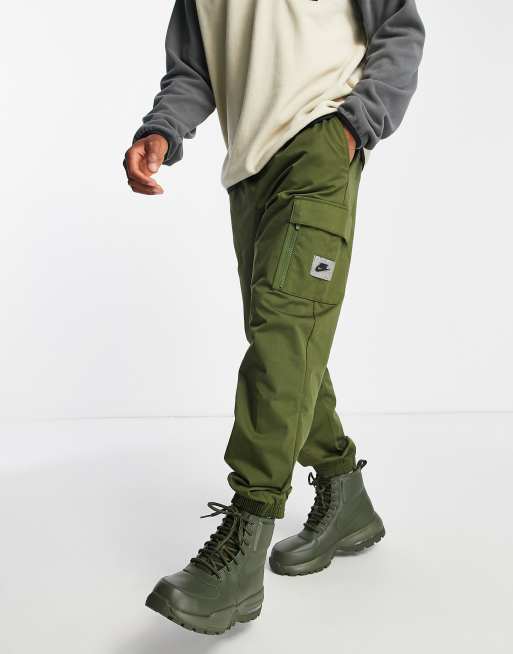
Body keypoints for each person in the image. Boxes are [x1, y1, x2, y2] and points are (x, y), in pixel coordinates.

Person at [124, 0, 424, 636]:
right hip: (248, 172)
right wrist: (163, 130)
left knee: (283, 339)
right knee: (287, 339)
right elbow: (195, 69)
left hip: (319, 144)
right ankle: (344, 492)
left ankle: (245, 539)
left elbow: (398, 26)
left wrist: (356, 124)